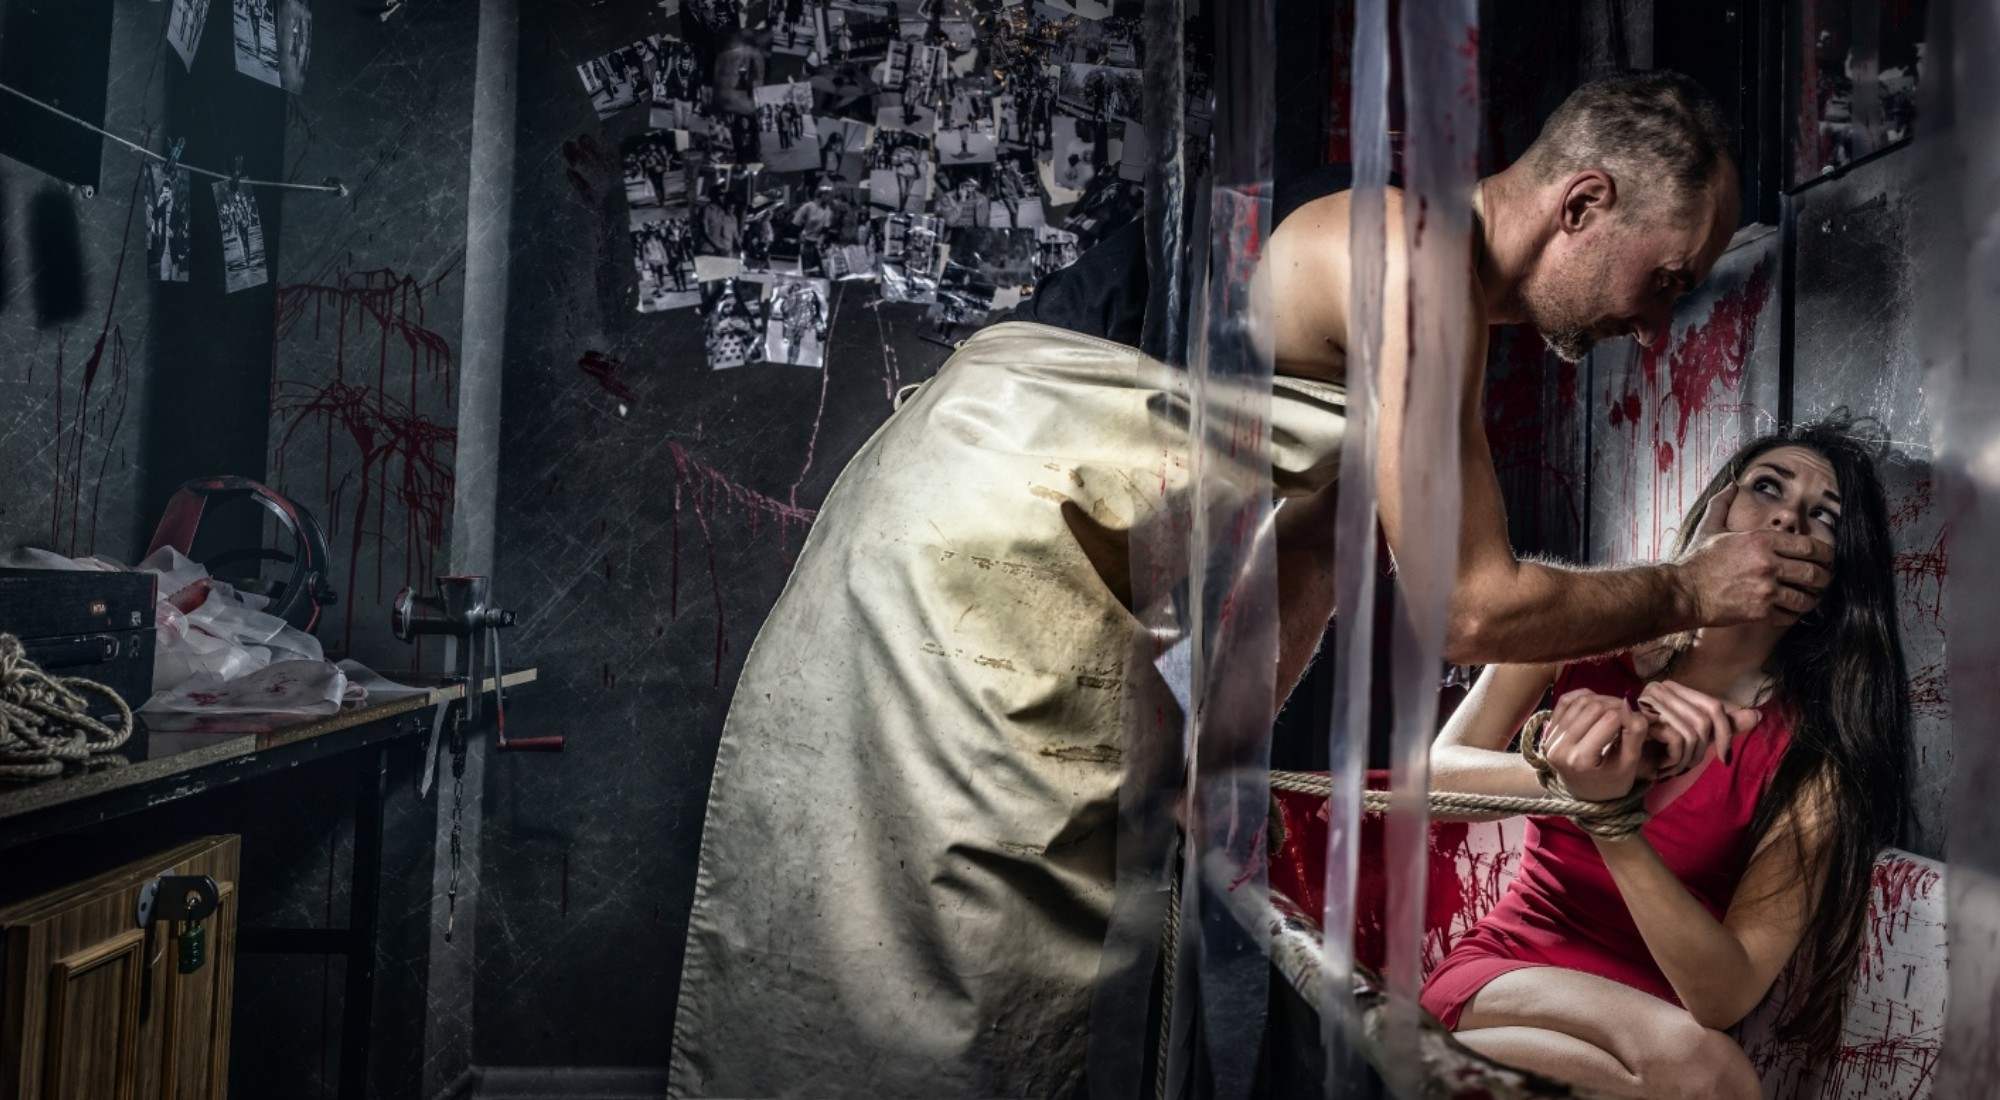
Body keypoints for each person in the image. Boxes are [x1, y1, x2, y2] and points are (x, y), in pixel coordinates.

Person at [668, 72, 1834, 1099]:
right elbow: (1468, 608)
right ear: (1581, 204)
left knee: (1040, 966)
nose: (1655, 325)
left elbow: (1316, 549)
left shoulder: (1427, 309)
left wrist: (1215, 767)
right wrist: (1688, 586)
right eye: (1663, 278)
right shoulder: (1416, 265)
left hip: (1029, 550)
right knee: (951, 964)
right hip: (984, 547)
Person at [1422, 419, 1910, 1100]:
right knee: (1710, 1075)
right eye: (1767, 487)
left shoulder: (1812, 765)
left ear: (1835, 577)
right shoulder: (1586, 631)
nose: (1786, 519)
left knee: (1700, 1071)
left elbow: (1725, 995)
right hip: (1507, 976)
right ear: (1716, 510)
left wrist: (1611, 817)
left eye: (1822, 517)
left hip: (1659, 1041)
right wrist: (1570, 778)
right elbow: (1436, 782)